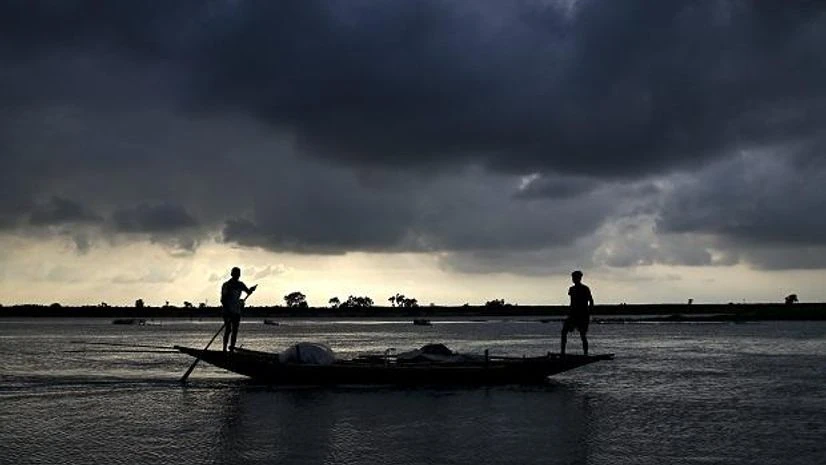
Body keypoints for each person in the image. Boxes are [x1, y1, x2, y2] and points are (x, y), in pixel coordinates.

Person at [220, 267, 257, 352]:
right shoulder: (227, 285)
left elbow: (248, 292)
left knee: (235, 331)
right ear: (232, 274)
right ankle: (224, 349)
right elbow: (222, 300)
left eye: (238, 274)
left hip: (236, 311)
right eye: (235, 274)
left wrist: (251, 290)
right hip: (227, 311)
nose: (237, 275)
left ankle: (232, 349)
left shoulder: (241, 284)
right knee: (228, 329)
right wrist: (229, 311)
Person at [561, 270, 593, 356]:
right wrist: (569, 313)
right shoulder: (572, 289)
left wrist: (588, 313)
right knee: (564, 332)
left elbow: (591, 301)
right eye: (573, 278)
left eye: (575, 278)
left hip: (582, 315)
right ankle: (562, 352)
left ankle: (585, 354)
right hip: (573, 315)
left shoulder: (585, 288)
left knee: (583, 335)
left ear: (579, 278)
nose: (573, 279)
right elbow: (572, 303)